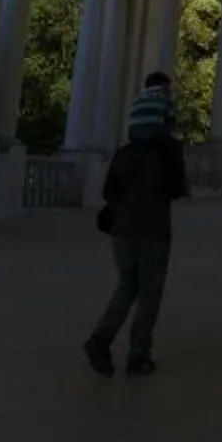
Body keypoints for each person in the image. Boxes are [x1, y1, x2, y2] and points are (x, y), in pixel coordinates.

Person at [83, 130, 189, 378]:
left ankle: (100, 338)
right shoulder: (167, 152)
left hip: (122, 230)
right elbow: (177, 188)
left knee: (127, 287)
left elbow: (108, 192)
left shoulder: (125, 152)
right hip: (154, 230)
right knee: (149, 294)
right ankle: (138, 354)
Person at [126, 71, 175, 144]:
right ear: (164, 86)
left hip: (133, 135)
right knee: (176, 146)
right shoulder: (165, 99)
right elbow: (171, 123)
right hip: (154, 136)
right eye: (169, 87)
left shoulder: (137, 99)